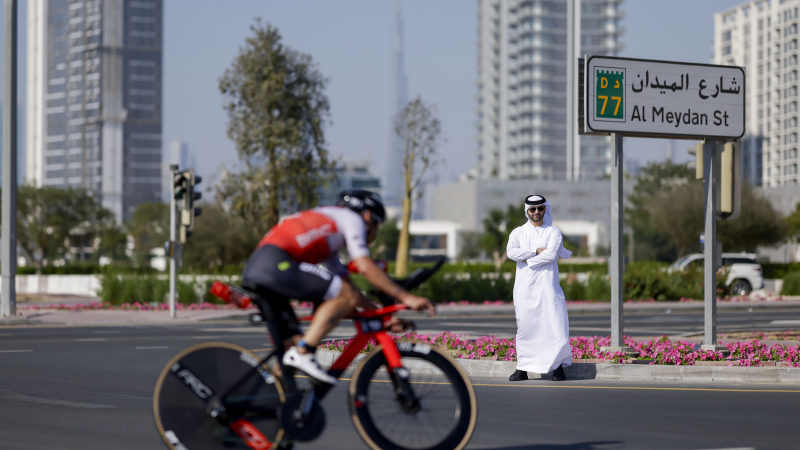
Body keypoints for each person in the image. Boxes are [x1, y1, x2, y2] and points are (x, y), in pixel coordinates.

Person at [240, 190, 435, 385]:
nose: (375, 234)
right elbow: (365, 266)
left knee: (291, 350)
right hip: (274, 265)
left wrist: (381, 317)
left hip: (262, 268)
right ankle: (304, 351)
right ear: (368, 216)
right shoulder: (352, 219)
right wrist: (406, 297)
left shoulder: (329, 235)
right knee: (303, 348)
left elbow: (350, 291)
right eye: (377, 226)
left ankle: (271, 399)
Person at [506, 195, 572, 382]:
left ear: (545, 210)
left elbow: (551, 256)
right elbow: (511, 252)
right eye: (532, 209)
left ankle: (557, 367)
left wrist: (526, 259)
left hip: (549, 287)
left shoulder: (554, 232)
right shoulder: (517, 232)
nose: (536, 212)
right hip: (525, 288)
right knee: (526, 327)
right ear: (527, 211)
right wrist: (535, 251)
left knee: (555, 326)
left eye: (540, 209)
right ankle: (523, 368)